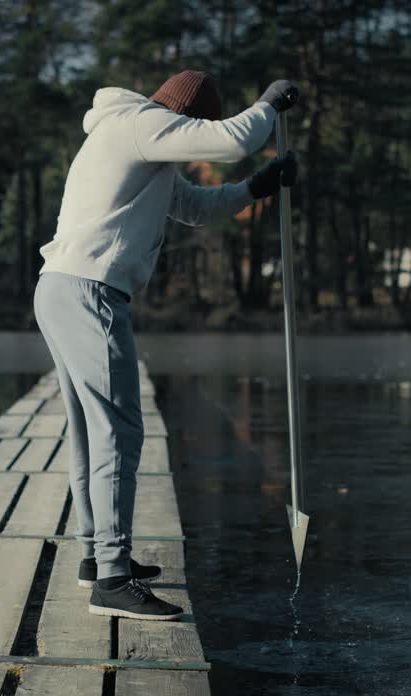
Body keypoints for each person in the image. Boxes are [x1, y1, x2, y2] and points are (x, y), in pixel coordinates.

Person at [33, 70, 299, 621]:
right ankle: (113, 579)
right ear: (184, 116)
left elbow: (197, 208)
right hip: (90, 290)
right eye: (194, 126)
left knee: (91, 431)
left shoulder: (135, 141)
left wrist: (257, 187)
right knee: (119, 431)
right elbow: (233, 139)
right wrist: (270, 103)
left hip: (60, 287)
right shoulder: (141, 124)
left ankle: (97, 558)